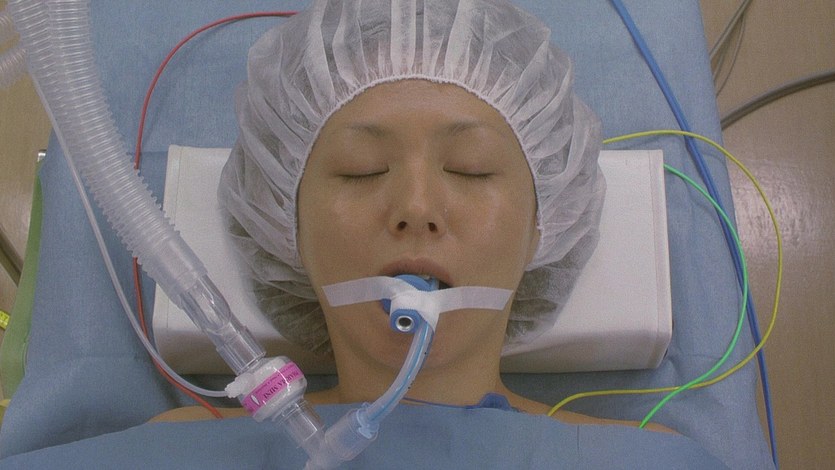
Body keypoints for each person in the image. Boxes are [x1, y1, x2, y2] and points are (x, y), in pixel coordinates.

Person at [153, 0, 670, 433]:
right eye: (360, 170)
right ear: (285, 227)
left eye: (471, 169)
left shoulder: (644, 461)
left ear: (545, 223)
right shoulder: (182, 451)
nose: (416, 208)